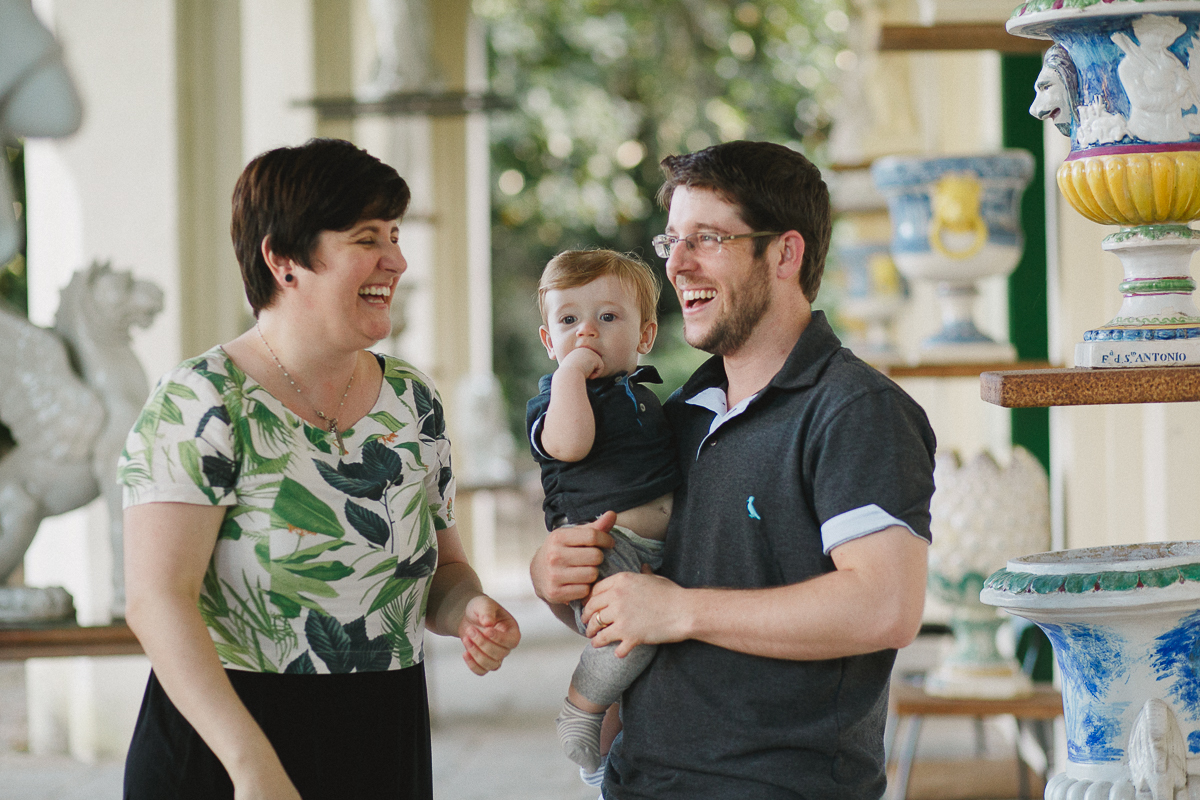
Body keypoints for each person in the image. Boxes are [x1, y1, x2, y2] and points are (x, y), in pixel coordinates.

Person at [530, 140, 937, 800]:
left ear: (784, 254)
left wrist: (682, 611)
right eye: (672, 242)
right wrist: (555, 579)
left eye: (708, 239)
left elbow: (885, 607)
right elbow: (634, 610)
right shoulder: (678, 413)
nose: (677, 264)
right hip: (639, 783)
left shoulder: (856, 411)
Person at [118, 138, 520, 800]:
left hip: (383, 739)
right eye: (366, 238)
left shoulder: (412, 399)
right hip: (227, 751)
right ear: (283, 260)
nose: (397, 260)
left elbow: (443, 572)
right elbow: (156, 600)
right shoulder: (200, 399)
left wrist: (469, 609)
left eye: (395, 234)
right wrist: (251, 766)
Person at [526, 250, 680, 774]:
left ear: (645, 336)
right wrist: (571, 374)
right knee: (630, 638)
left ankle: (605, 766)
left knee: (641, 654)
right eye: (568, 320)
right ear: (549, 342)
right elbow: (570, 445)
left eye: (607, 317)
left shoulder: (641, 394)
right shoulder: (555, 401)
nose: (586, 331)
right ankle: (580, 709)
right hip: (602, 548)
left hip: (651, 551)